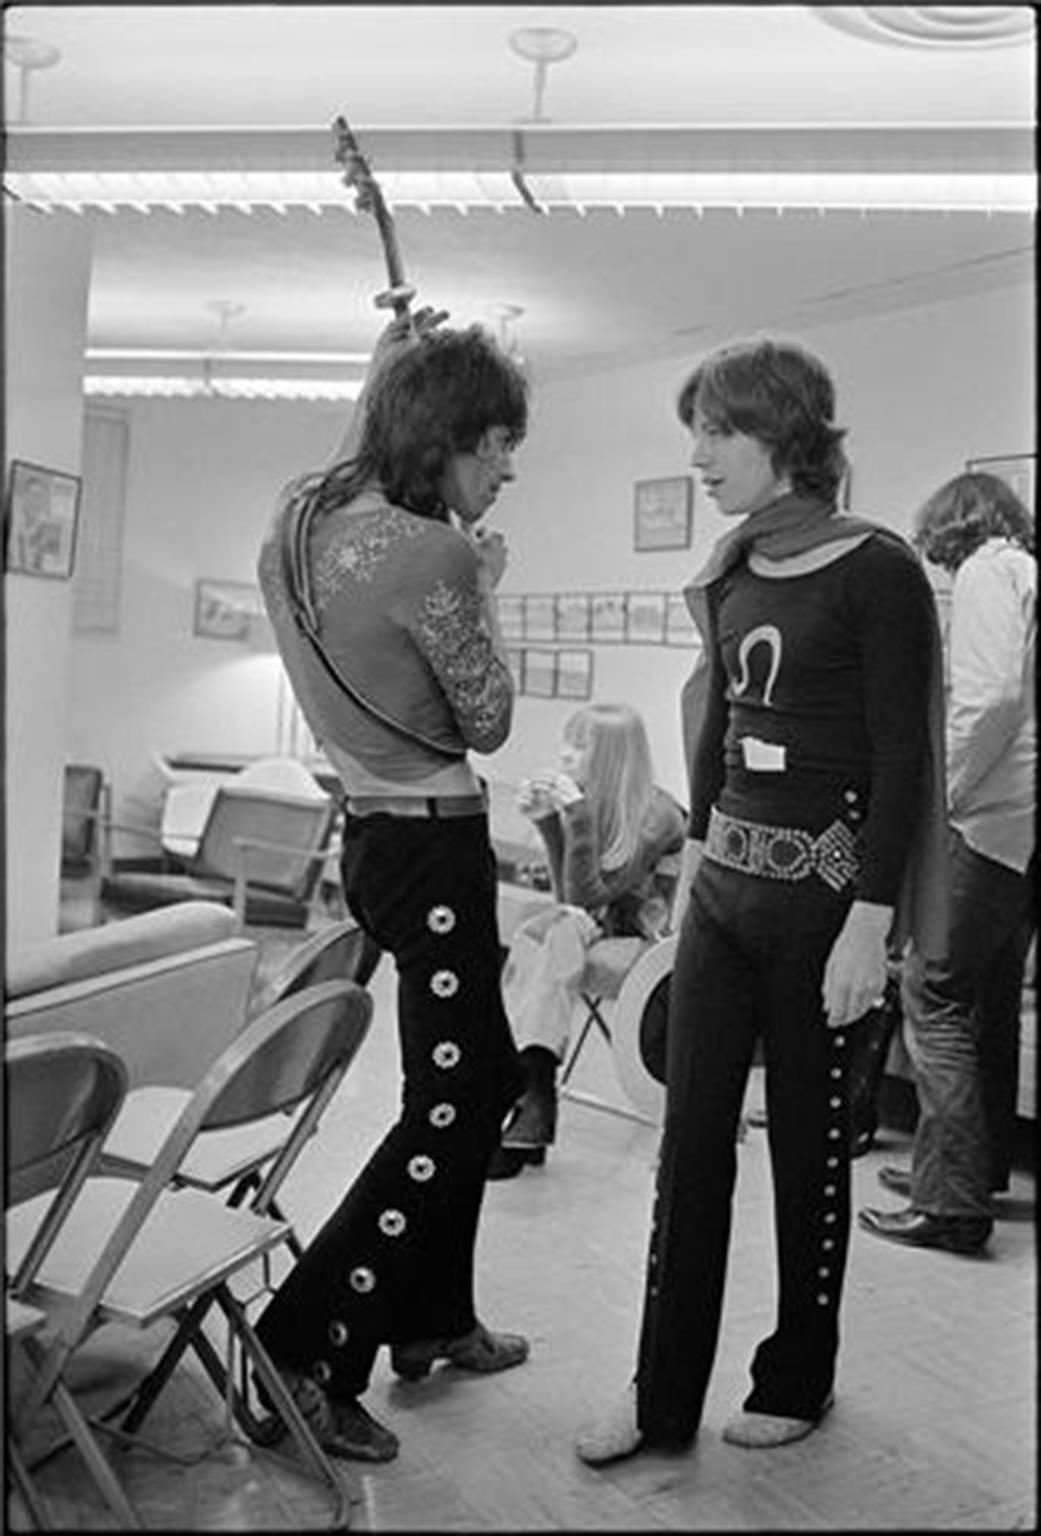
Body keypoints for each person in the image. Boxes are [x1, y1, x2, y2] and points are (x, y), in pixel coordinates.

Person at [574, 335, 948, 1467]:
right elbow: (722, 744)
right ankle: (659, 1396)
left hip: (825, 917)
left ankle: (799, 1376)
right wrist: (690, 887)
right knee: (689, 1152)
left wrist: (871, 928)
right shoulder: (732, 570)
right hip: (725, 901)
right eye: (696, 431)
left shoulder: (878, 570)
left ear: (784, 435)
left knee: (808, 1156)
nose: (698, 456)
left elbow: (901, 760)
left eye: (716, 432)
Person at [253, 310, 531, 1462]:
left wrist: (393, 372)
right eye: (496, 445)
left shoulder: (296, 523)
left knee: (470, 1071)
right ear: (445, 438)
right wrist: (489, 587)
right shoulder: (439, 554)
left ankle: (431, 1316)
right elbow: (490, 720)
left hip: (374, 844)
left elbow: (354, 456)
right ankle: (307, 1345)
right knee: (457, 1103)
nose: (506, 468)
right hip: (438, 850)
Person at [860, 471, 1036, 1254]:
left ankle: (952, 1199)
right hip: (1024, 834)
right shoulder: (1028, 571)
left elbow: (990, 696)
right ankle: (973, 1166)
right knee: (987, 1000)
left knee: (932, 992)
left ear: (951, 527)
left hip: (988, 819)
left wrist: (943, 792)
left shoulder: (985, 572)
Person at [488, 703, 686, 1179]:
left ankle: (531, 1095)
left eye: (581, 745)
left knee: (548, 934)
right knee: (547, 930)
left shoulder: (656, 815)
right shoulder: (591, 800)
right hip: (588, 926)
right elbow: (570, 897)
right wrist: (546, 821)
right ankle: (533, 1098)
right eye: (568, 741)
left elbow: (592, 895)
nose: (565, 754)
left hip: (643, 938)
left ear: (614, 757)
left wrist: (571, 815)